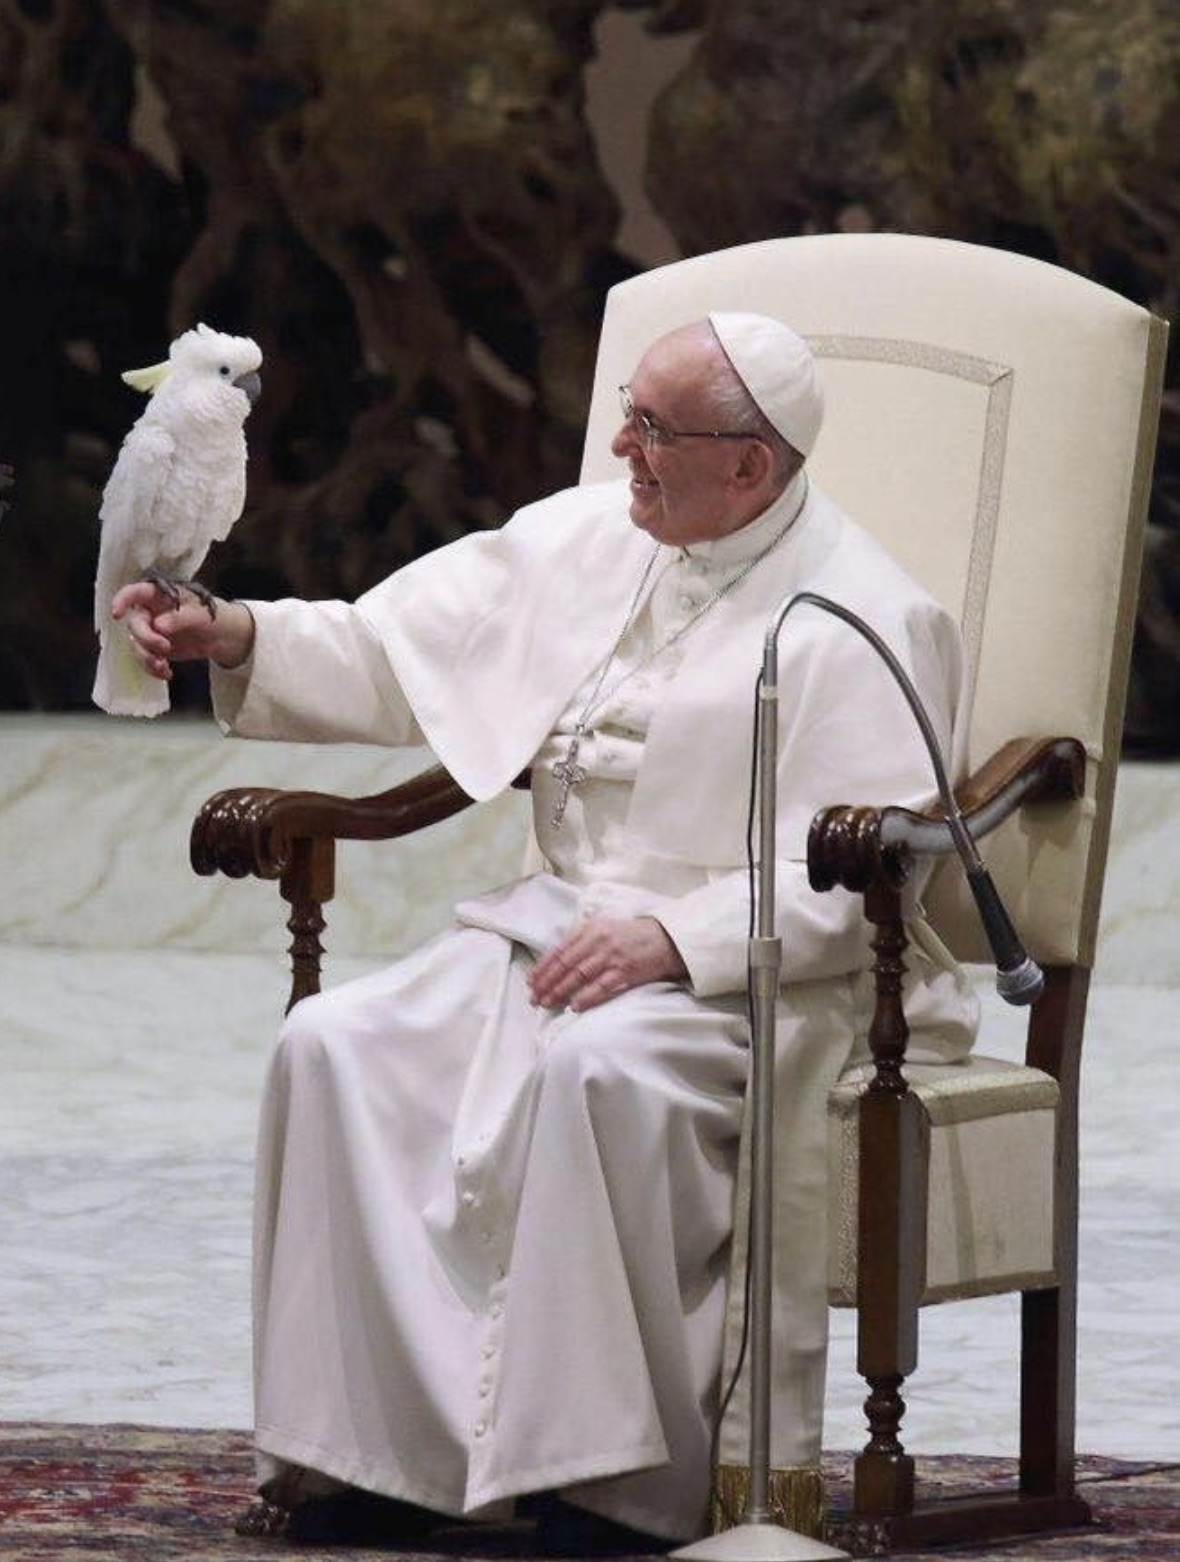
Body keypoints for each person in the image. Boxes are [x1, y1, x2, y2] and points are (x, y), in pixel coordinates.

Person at [114, 312, 979, 1551]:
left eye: (653, 428)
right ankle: (381, 1456)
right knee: (336, 1043)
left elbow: (864, 868)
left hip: (752, 976)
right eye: (627, 408)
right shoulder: (586, 533)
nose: (620, 442)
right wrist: (239, 632)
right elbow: (401, 644)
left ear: (750, 466)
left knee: (596, 1071)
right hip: (554, 929)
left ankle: (607, 1484)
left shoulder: (862, 615)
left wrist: (677, 941)